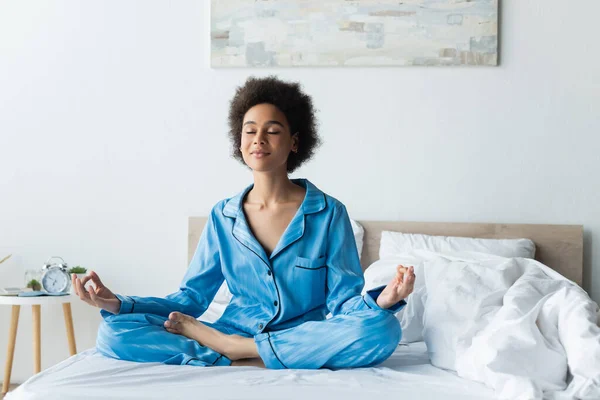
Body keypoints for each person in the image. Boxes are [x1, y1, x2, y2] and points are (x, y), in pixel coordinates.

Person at [73, 76, 416, 369]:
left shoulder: (329, 214)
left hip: (298, 336)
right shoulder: (223, 216)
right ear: (240, 141)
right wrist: (114, 303)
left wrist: (382, 301)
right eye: (250, 130)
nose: (259, 139)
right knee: (114, 331)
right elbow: (191, 299)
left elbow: (343, 306)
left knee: (382, 330)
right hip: (231, 328)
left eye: (273, 130)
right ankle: (240, 349)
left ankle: (236, 352)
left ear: (295, 142)